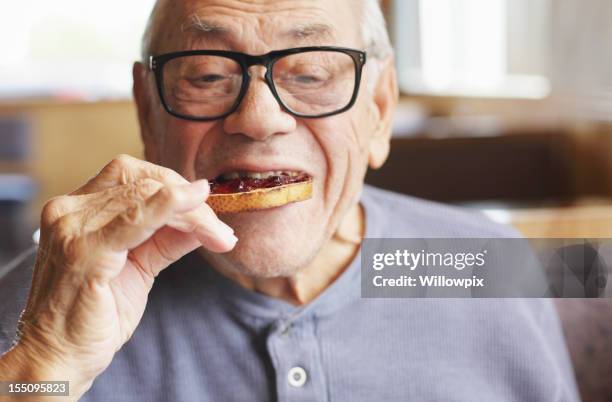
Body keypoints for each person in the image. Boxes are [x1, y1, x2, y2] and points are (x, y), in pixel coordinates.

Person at [0, 0, 580, 401]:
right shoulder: (47, 301)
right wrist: (50, 365)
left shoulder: (487, 265)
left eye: (309, 74)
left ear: (379, 109)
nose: (258, 118)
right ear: (148, 112)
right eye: (206, 76)